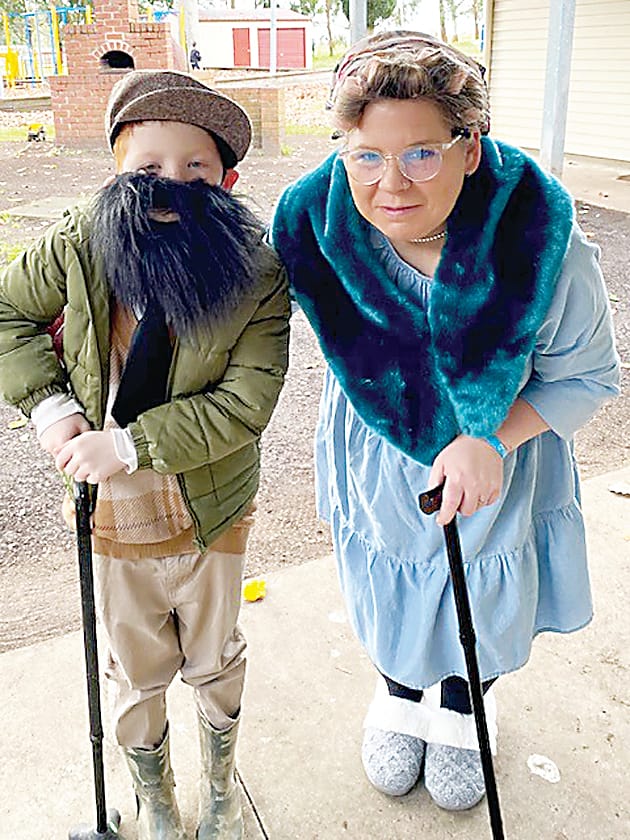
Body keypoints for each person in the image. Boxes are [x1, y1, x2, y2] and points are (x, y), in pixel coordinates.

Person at [271, 31, 620, 813]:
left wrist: (493, 439)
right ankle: (398, 689)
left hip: (500, 463)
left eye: (421, 153)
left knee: (480, 600)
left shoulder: (545, 248)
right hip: (375, 451)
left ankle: (467, 700)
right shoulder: (314, 229)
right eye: (365, 155)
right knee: (392, 572)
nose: (391, 182)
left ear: (471, 147)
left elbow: (589, 375)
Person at [0, 69, 290, 840]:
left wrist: (130, 442)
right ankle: (156, 800)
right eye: (148, 169)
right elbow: (7, 313)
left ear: (226, 180)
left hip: (212, 505)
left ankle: (222, 792)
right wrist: (55, 412)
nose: (172, 185)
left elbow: (247, 404)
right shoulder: (78, 244)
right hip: (109, 511)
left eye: (195, 168)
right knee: (133, 667)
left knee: (215, 655)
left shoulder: (258, 272)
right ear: (116, 175)